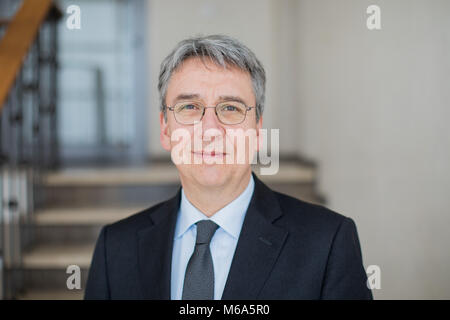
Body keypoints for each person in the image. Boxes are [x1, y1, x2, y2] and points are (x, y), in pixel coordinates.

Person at [84, 34, 372, 300]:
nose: (210, 129)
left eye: (231, 108)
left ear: (257, 130)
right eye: (189, 107)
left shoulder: (328, 242)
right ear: (165, 129)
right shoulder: (116, 247)